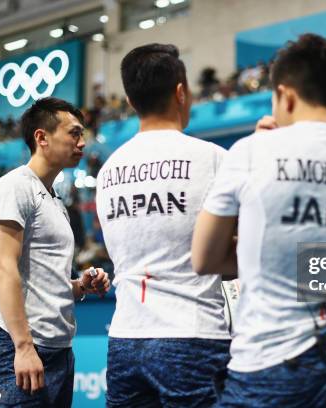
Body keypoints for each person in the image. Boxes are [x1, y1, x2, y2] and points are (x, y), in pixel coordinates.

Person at [192, 33, 326, 407]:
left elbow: (204, 257)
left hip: (271, 363)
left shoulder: (252, 152)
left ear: (285, 96)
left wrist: (261, 252)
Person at [95, 44, 231, 408]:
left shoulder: (108, 171)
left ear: (129, 99)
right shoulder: (215, 160)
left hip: (124, 339)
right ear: (181, 92)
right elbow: (244, 250)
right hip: (193, 336)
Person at [0, 97, 111, 407]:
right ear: (41, 137)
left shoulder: (55, 202)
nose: (82, 142)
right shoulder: (15, 187)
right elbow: (4, 269)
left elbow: (44, 280)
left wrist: (81, 285)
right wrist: (23, 346)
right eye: (74, 133)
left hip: (59, 351)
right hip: (21, 348)